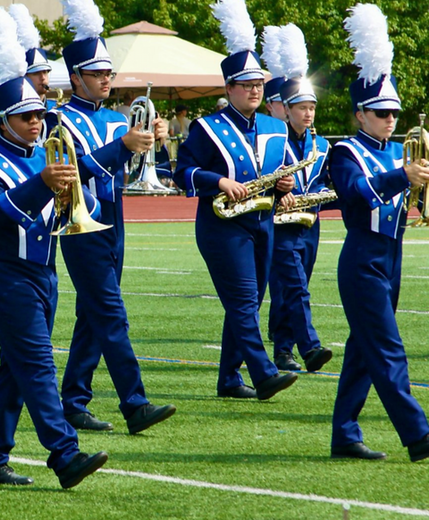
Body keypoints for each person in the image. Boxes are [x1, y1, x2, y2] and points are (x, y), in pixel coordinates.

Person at [0, 6, 108, 487]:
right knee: (39, 364)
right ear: (2, 121)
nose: (35, 122)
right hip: (6, 272)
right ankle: (64, 454)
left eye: (39, 114)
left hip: (45, 271)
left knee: (16, 368)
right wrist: (43, 183)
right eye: (24, 116)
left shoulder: (48, 151)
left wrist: (119, 151)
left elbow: (82, 186)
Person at [49, 0, 176, 433]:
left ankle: (74, 400)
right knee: (110, 312)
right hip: (78, 222)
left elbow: (136, 170)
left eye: (109, 73)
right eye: (98, 73)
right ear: (76, 77)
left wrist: (153, 142)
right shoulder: (56, 118)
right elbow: (72, 170)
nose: (107, 79)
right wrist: (124, 146)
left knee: (93, 314)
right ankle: (134, 403)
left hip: (114, 218)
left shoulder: (116, 118)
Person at [173, 0, 298, 400]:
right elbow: (181, 172)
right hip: (221, 225)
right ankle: (262, 373)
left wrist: (285, 188)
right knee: (244, 300)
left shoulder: (276, 127)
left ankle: (229, 379)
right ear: (228, 89)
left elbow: (283, 172)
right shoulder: (207, 127)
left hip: (264, 223)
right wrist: (218, 180)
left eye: (259, 84)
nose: (254, 90)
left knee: (247, 301)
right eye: (246, 85)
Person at [328, 3, 429, 462]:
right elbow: (355, 194)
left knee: (362, 351)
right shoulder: (345, 151)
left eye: (393, 113)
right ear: (360, 114)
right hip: (362, 259)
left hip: (393, 257)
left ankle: (345, 434)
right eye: (381, 113)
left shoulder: (398, 153)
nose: (390, 120)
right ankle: (419, 434)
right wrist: (403, 177)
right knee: (388, 350)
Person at [267, 24, 333, 373]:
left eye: (312, 107)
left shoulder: (322, 145)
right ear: (286, 110)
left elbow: (328, 180)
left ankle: (282, 349)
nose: (308, 113)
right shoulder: (273, 141)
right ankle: (309, 348)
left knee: (294, 286)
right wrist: (279, 191)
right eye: (301, 107)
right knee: (294, 287)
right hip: (280, 224)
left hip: (311, 223)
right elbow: (257, 181)